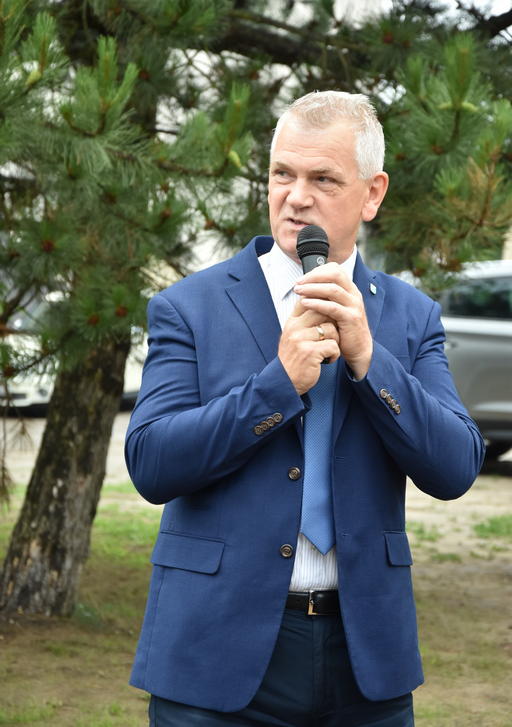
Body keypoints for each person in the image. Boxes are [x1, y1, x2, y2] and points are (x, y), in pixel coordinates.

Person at [125, 91, 485, 726]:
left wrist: (370, 360)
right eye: (282, 174)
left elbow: (456, 467)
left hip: (365, 662)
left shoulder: (410, 316)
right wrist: (276, 386)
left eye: (323, 179)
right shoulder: (189, 306)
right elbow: (152, 463)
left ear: (372, 194)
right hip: (214, 653)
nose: (296, 197)